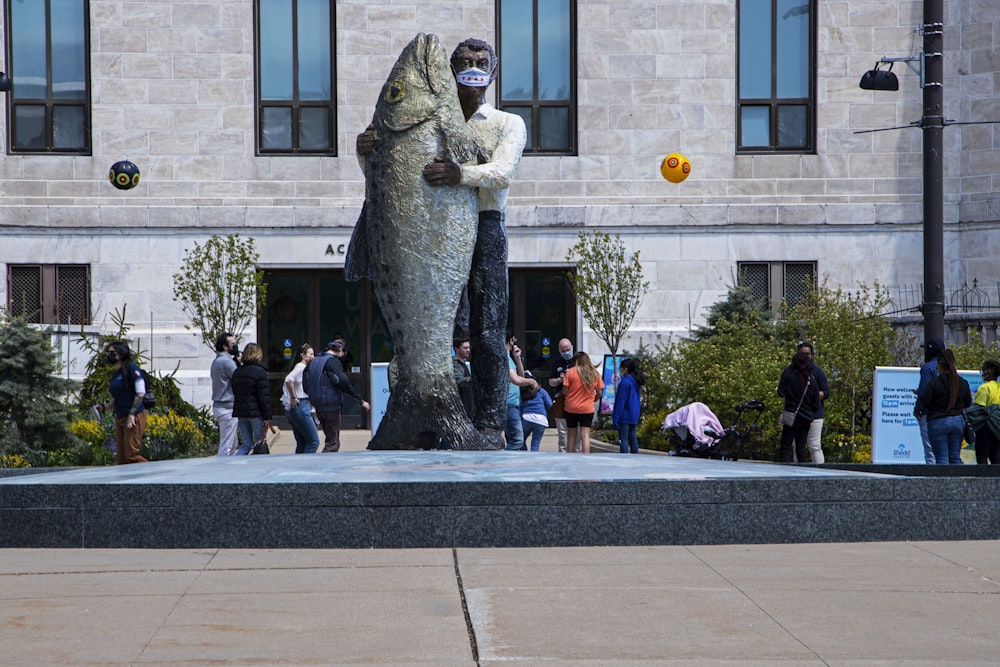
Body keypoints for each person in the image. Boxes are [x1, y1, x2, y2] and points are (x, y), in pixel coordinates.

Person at [373, 37, 525, 445]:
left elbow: (502, 172)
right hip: (436, 230)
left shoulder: (507, 123)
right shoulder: (435, 116)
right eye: (463, 61)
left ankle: (490, 423)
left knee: (488, 329)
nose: (472, 67)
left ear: (493, 71)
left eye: (480, 61)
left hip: (486, 225)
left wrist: (461, 175)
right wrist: (365, 153)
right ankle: (435, 414)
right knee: (435, 323)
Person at [303, 339, 371, 452]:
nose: (344, 355)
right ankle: (325, 467)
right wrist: (361, 401)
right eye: (344, 352)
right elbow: (343, 383)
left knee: (329, 438)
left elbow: (306, 385)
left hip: (318, 405)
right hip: (331, 405)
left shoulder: (314, 361)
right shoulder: (332, 362)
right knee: (332, 443)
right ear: (340, 349)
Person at [916, 349, 972, 465]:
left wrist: (918, 411)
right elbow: (967, 403)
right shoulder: (962, 382)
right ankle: (957, 482)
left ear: (940, 364)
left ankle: (943, 483)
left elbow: (925, 401)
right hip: (958, 421)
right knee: (955, 458)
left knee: (941, 459)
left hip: (938, 421)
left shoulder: (934, 383)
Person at [100, 341, 148, 465]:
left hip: (133, 416)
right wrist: (104, 408)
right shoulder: (117, 374)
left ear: (121, 354)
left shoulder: (131, 369)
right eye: (108, 352)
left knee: (132, 455)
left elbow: (140, 392)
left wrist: (132, 414)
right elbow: (120, 398)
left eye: (112, 352)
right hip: (121, 417)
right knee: (122, 459)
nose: (109, 355)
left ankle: (154, 476)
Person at [776, 350, 820, 463]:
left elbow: (781, 392)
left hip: (791, 414)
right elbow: (816, 402)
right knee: (801, 447)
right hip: (806, 416)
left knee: (786, 445)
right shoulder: (811, 379)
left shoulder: (788, 374)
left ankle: (783, 469)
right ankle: (802, 471)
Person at [230, 343, 271, 456]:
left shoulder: (238, 372)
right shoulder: (260, 372)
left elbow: (235, 391)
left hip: (241, 412)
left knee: (246, 444)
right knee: (259, 443)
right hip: (256, 412)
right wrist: (267, 417)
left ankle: (236, 464)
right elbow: (264, 396)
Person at [281, 343, 320, 454]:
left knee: (302, 442)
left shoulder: (302, 367)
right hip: (301, 404)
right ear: (302, 355)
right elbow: (289, 379)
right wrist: (293, 397)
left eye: (313, 354)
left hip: (299, 406)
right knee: (313, 441)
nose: (313, 357)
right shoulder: (301, 367)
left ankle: (298, 464)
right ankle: (305, 465)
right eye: (310, 354)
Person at [562, 351, 604, 454]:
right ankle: (586, 457)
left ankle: (570, 456)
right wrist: (593, 400)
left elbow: (564, 391)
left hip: (571, 407)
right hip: (587, 408)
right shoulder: (594, 373)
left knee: (572, 434)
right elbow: (599, 393)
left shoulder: (570, 372)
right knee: (585, 435)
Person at [796, 342, 830, 463]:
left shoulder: (817, 372)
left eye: (808, 354)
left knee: (814, 446)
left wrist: (814, 395)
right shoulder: (793, 371)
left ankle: (820, 472)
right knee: (798, 446)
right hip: (799, 413)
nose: (805, 357)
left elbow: (826, 392)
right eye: (802, 353)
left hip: (815, 413)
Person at [505, 335, 539, 451]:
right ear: (510, 340)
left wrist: (518, 358)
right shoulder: (504, 357)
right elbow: (515, 379)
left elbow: (521, 375)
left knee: (512, 438)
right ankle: (501, 461)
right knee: (517, 439)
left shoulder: (509, 358)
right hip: (509, 403)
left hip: (514, 402)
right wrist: (531, 381)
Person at [914, 337, 945, 464]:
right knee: (945, 452)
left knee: (931, 451)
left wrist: (917, 411)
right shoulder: (949, 368)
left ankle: (933, 479)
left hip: (930, 414)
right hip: (948, 413)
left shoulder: (927, 368)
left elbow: (924, 392)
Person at [210, 332, 239, 456]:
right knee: (227, 445)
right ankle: (222, 469)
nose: (235, 346)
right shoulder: (226, 362)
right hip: (227, 407)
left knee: (232, 443)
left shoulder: (217, 361)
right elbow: (238, 378)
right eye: (233, 344)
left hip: (222, 406)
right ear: (225, 347)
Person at [968, 360, 1000, 464]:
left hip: (985, 427)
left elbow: (978, 410)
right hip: (998, 428)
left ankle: (982, 480)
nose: (983, 372)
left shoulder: (984, 388)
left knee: (982, 458)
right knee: (996, 458)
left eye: (984, 369)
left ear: (990, 371)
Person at [548, 338, 576, 452]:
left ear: (572, 347)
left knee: (576, 432)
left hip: (575, 399)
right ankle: (563, 454)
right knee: (563, 432)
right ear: (559, 350)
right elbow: (551, 382)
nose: (566, 352)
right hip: (561, 401)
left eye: (568, 349)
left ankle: (577, 456)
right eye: (563, 350)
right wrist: (560, 380)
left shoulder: (578, 361)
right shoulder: (556, 363)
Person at [612, 358, 645, 454]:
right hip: (634, 413)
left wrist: (616, 418)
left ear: (626, 369)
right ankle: (635, 456)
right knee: (632, 436)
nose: (620, 370)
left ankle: (624, 457)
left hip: (624, 415)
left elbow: (620, 402)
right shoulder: (636, 382)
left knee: (623, 439)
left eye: (621, 368)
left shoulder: (625, 382)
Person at [520, 370, 552, 451]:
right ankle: (534, 460)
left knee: (521, 440)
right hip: (541, 419)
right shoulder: (541, 391)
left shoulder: (522, 392)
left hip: (526, 417)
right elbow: (549, 404)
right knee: (535, 443)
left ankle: (524, 455)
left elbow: (519, 406)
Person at [453, 336, 475, 419]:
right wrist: (475, 380)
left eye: (469, 347)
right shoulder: (455, 364)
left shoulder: (465, 364)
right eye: (465, 348)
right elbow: (459, 381)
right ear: (456, 349)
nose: (468, 350)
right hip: (462, 408)